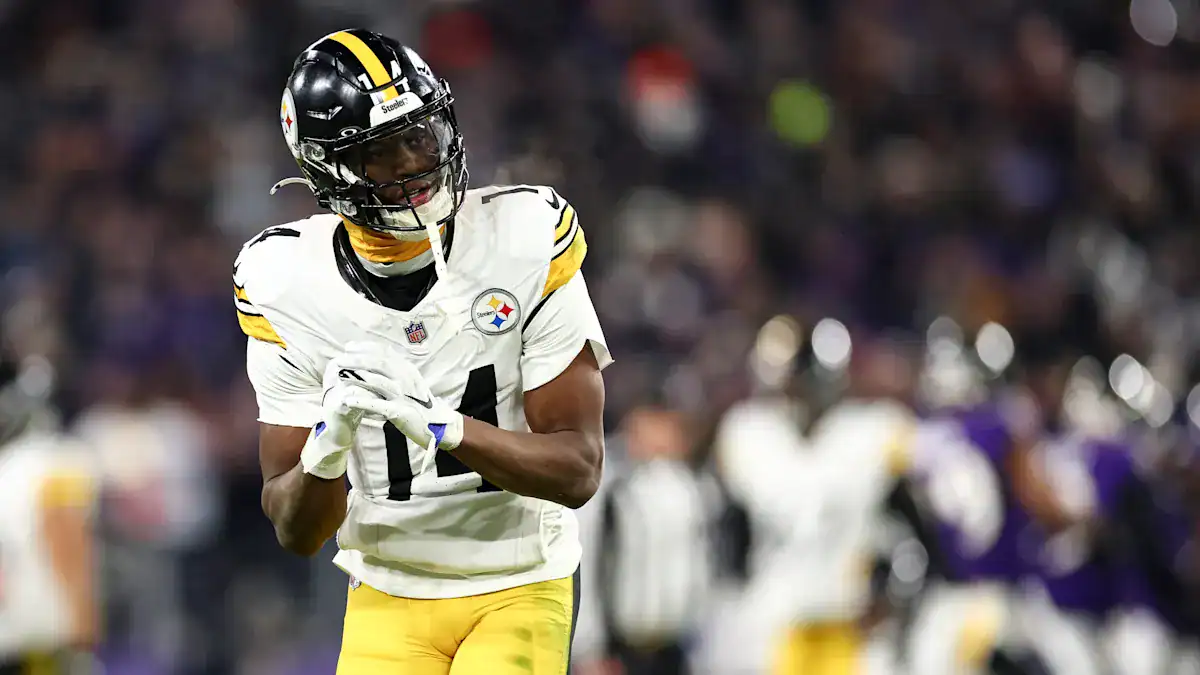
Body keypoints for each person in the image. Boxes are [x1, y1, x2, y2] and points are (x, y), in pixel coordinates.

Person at [236, 29, 611, 675]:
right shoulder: (283, 281)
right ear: (328, 168)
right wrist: (327, 445)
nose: (413, 163)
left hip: (518, 578)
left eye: (419, 135)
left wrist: (444, 426)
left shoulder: (523, 235)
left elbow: (578, 469)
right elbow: (297, 530)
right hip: (388, 588)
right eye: (380, 151)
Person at [0, 354, 98, 674]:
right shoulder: (56, 462)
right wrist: (83, 622)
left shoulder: (8, 465)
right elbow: (65, 535)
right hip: (44, 631)